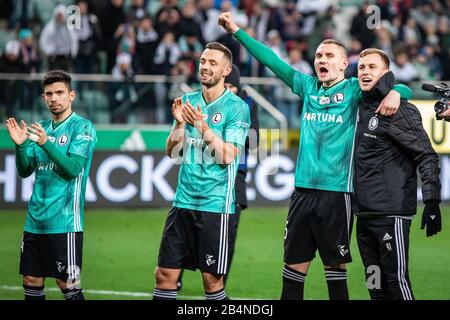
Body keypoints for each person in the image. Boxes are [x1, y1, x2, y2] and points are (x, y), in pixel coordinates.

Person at [218, 11, 412, 300]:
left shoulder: (353, 89)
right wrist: (237, 31)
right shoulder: (307, 87)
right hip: (302, 195)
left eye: (329, 56)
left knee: (335, 275)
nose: (322, 60)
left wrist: (396, 92)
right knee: (292, 275)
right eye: (319, 55)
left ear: (345, 64)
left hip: (337, 195)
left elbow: (403, 86)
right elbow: (271, 60)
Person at [153, 43, 250, 300]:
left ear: (226, 69)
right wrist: (180, 125)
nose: (205, 67)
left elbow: (228, 156)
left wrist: (203, 128)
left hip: (215, 206)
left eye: (212, 63)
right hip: (182, 203)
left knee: (212, 281)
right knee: (164, 276)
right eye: (203, 61)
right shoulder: (187, 101)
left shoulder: (237, 107)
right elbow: (172, 152)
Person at [354, 49, 442, 300]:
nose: (365, 72)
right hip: (364, 214)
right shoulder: (362, 106)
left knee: (396, 282)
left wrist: (432, 201)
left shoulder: (399, 110)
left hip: (391, 213)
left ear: (386, 73)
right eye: (361, 68)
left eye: (372, 67)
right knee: (374, 285)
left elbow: (426, 155)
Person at [5, 70, 97, 300]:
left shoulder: (82, 128)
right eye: (49, 94)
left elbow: (73, 169)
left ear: (71, 95)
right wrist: (20, 146)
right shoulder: (41, 128)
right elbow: (25, 170)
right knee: (31, 280)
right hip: (35, 222)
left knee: (68, 284)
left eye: (59, 92)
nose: (54, 98)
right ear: (43, 97)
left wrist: (46, 144)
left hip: (65, 223)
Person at [176, 63, 259, 290]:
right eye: (227, 85)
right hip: (201, 169)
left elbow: (254, 142)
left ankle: (220, 283)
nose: (229, 89)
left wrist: (227, 132)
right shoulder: (202, 101)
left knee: (229, 232)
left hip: (235, 174)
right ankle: (178, 275)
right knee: (186, 224)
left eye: (233, 86)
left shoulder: (245, 105)